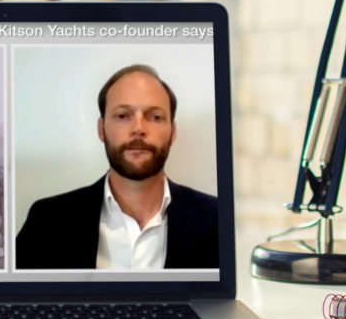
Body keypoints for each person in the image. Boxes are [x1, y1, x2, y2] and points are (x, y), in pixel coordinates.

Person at [16, 64, 218, 270]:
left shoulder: (216, 221)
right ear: (101, 130)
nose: (138, 129)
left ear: (173, 133)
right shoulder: (47, 221)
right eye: (122, 116)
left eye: (155, 117)